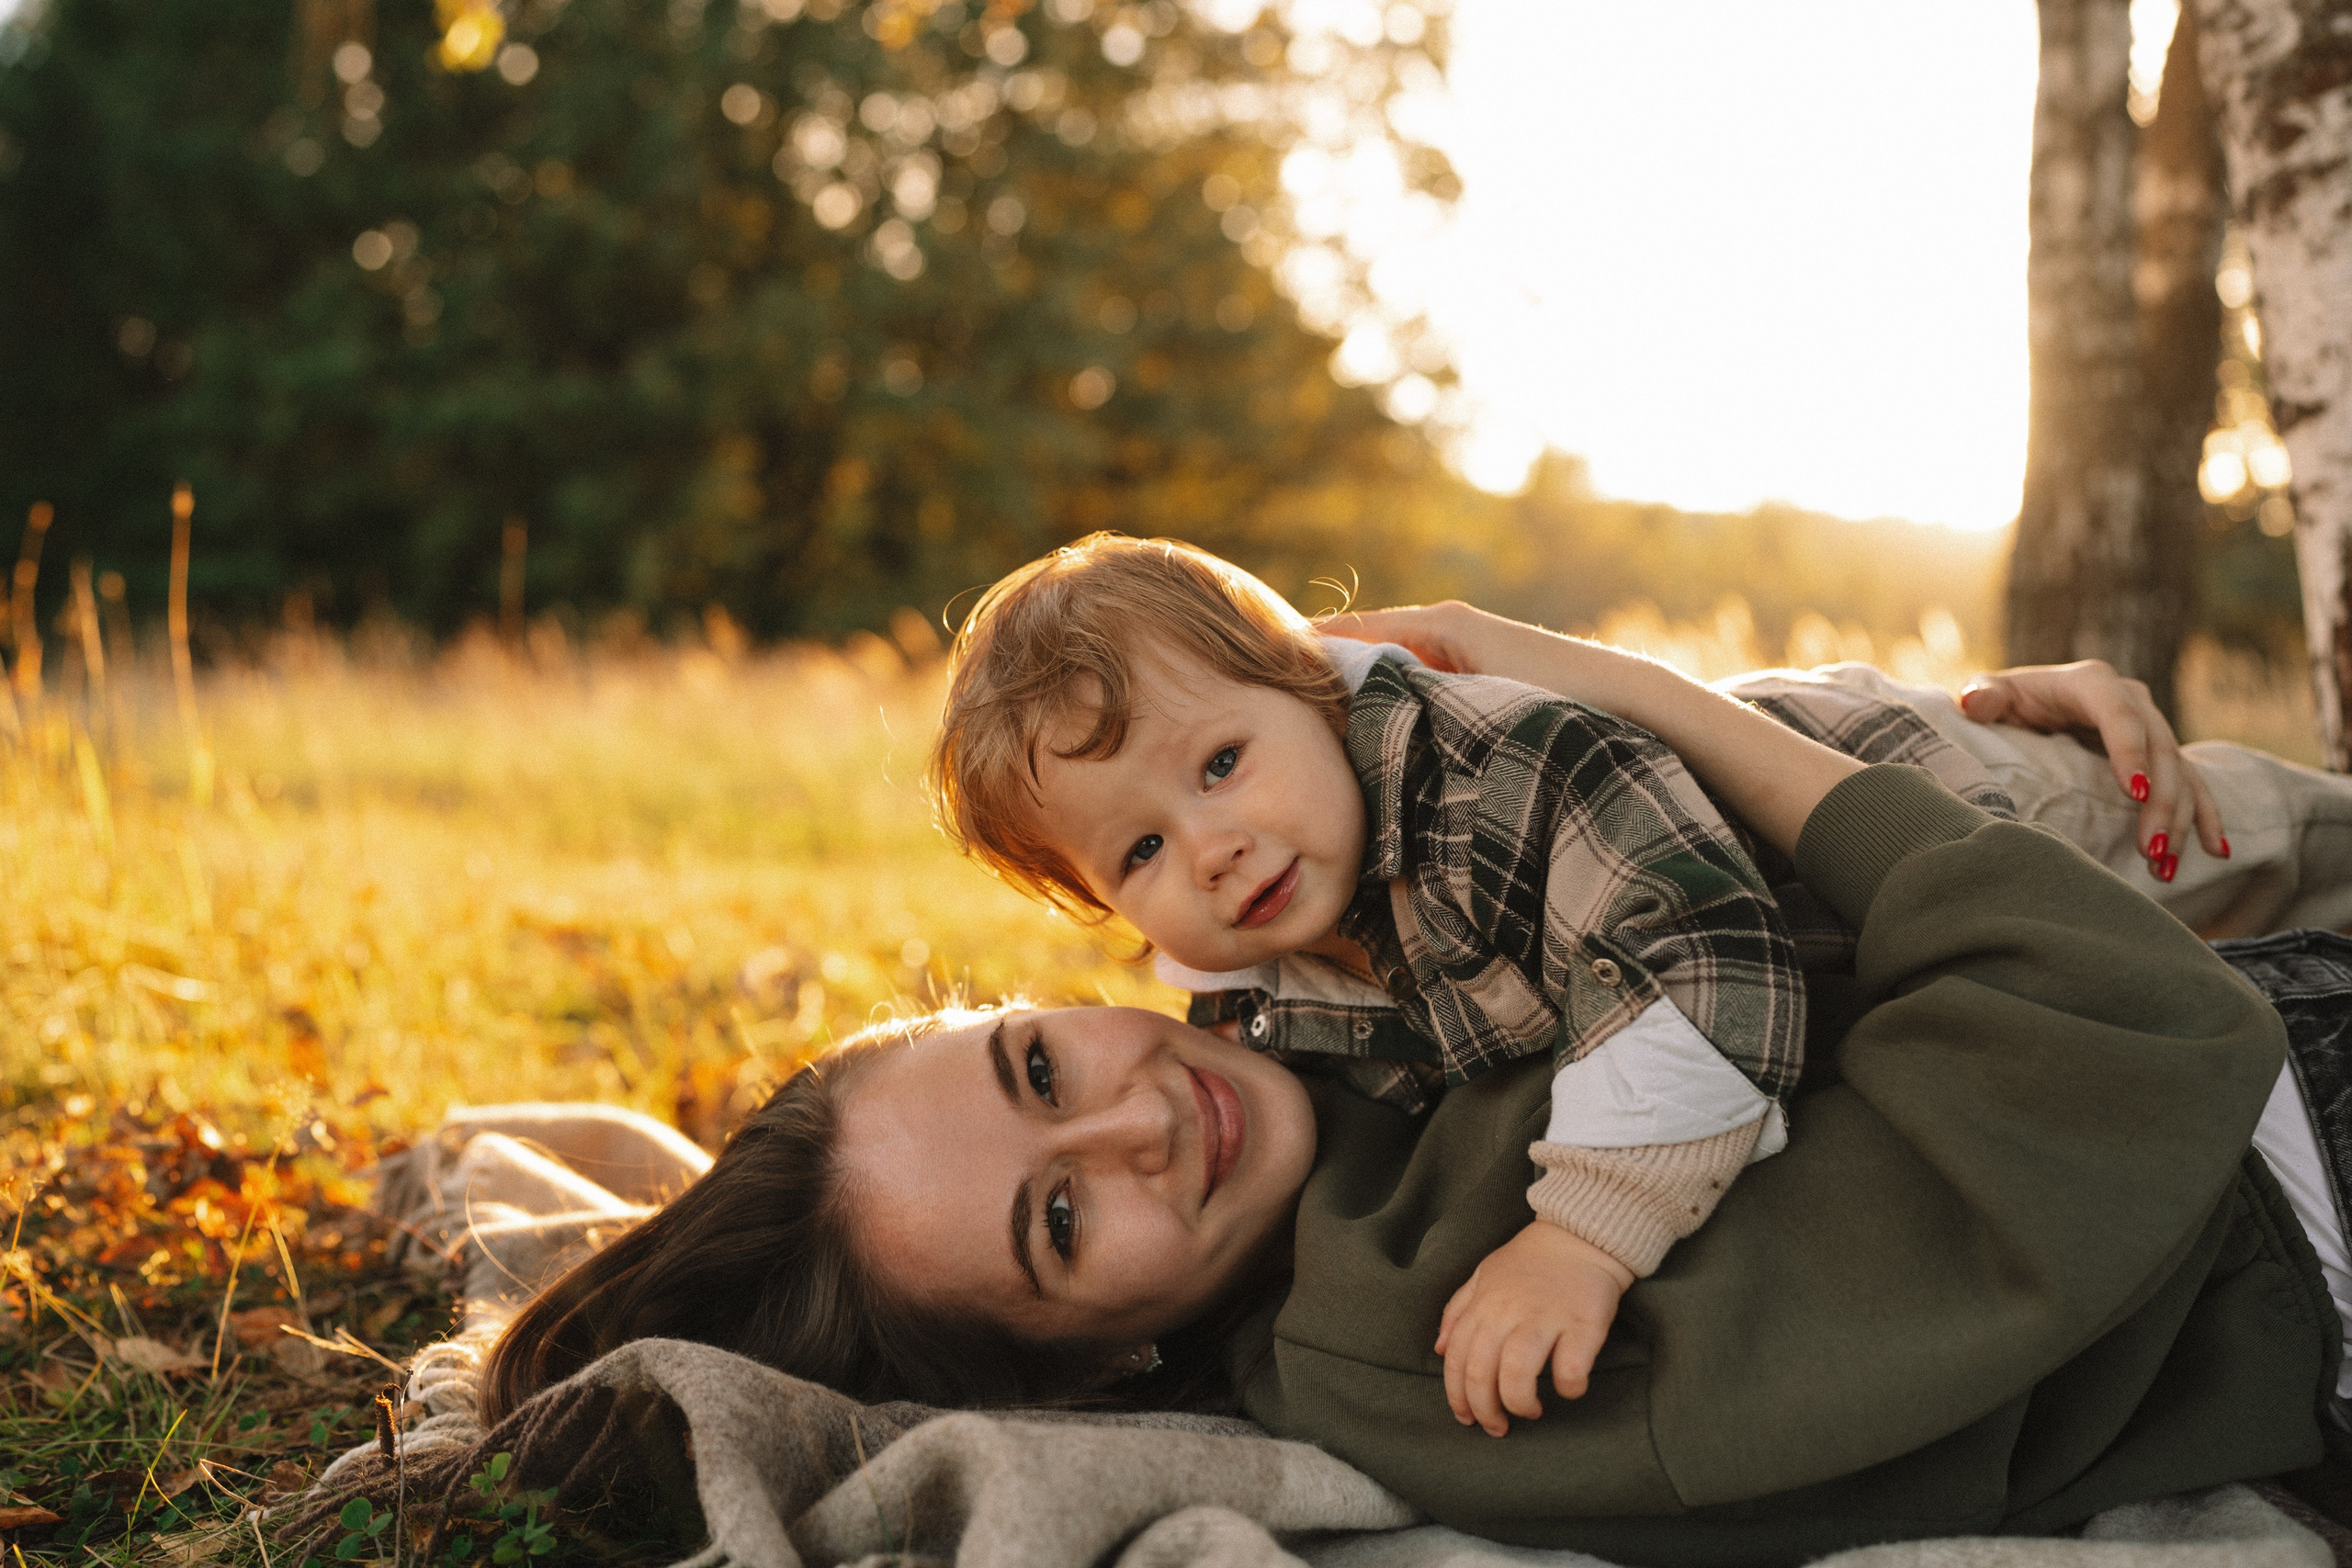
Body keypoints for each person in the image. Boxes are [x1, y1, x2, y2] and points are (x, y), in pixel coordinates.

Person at [477, 609, 2352, 1562]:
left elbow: (1563, 817)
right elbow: (2095, 1020)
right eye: (1062, 1216)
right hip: (2286, 1168)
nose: (1135, 1112)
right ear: (1098, 1366)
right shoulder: (1430, 1324)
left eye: (1033, 1058)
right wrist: (1660, 704)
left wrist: (1929, 732)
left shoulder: (1297, 1024)